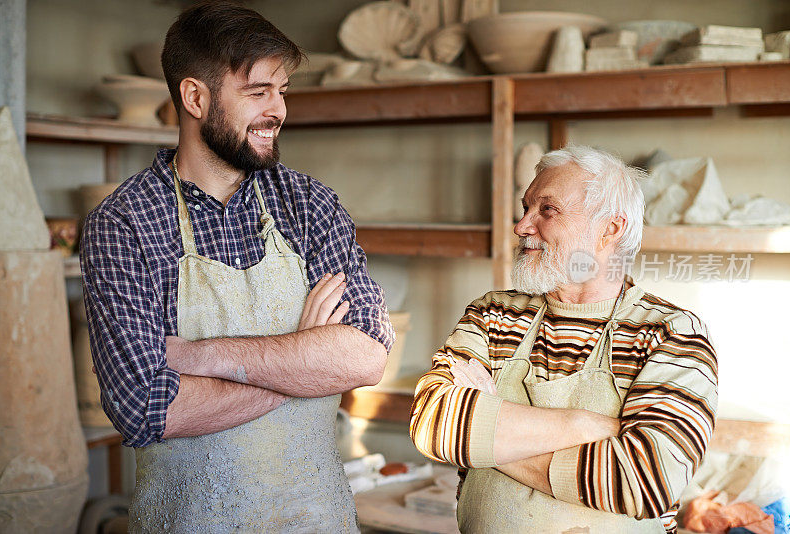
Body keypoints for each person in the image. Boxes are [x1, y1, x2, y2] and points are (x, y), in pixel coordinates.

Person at [80, 3, 393, 532]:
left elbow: (365, 356)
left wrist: (200, 358)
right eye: (257, 92)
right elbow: (148, 410)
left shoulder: (310, 206)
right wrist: (304, 358)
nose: (278, 111)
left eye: (282, 91)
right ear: (195, 97)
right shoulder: (124, 224)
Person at [409, 146, 717, 533]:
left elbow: (645, 481)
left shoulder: (672, 333)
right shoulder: (494, 314)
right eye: (526, 208)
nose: (522, 226)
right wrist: (585, 425)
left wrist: (488, 439)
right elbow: (433, 423)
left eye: (547, 210)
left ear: (611, 228)